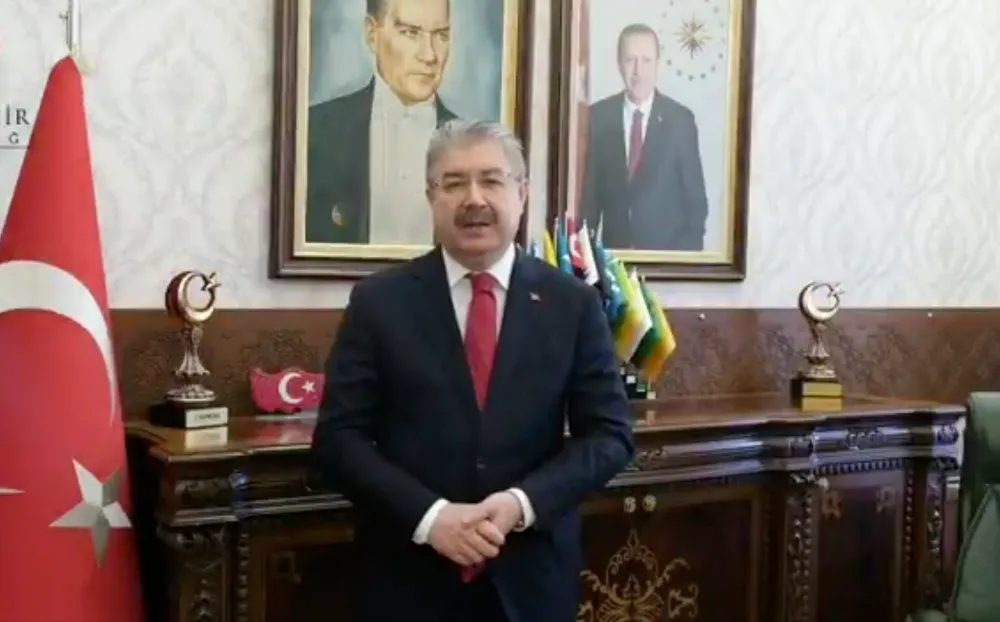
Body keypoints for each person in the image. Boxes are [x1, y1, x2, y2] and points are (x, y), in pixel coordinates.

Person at [311, 119, 635, 621]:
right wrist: (431, 518)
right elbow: (338, 440)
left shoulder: (571, 303)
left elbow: (610, 436)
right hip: (407, 580)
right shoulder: (379, 302)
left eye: (491, 180)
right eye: (454, 183)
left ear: (522, 193)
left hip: (531, 581)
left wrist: (521, 504)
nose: (474, 199)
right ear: (431, 196)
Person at [306, 0, 457, 245]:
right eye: (410, 33)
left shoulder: (472, 145)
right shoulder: (314, 131)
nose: (429, 55)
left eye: (441, 35)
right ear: (372, 34)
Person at [581, 23, 709, 251]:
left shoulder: (680, 121)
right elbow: (589, 202)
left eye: (646, 61)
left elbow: (696, 204)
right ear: (619, 63)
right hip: (614, 260)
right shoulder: (597, 117)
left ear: (658, 64)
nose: (638, 72)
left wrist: (683, 262)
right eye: (630, 60)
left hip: (666, 261)